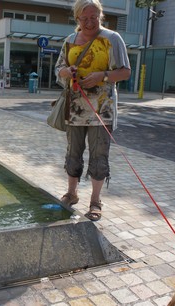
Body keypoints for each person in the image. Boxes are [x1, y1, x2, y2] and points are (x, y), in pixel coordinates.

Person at [54, 0, 131, 221]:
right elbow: (58, 68)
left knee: (99, 157)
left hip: (102, 110)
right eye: (84, 18)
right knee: (73, 154)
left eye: (93, 17)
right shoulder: (70, 41)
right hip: (75, 109)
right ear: (77, 19)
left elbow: (125, 72)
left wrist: (102, 76)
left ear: (101, 16)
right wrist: (67, 71)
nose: (89, 23)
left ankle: (95, 201)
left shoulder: (112, 39)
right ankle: (72, 193)